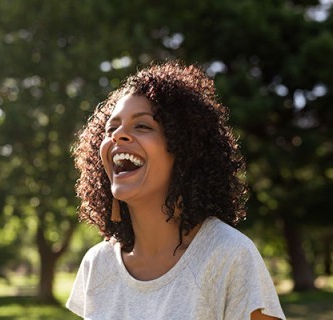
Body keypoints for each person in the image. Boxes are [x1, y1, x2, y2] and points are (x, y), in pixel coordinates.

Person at [66, 60, 286, 320]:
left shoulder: (229, 255)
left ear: (184, 150)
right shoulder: (97, 264)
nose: (117, 136)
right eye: (110, 128)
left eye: (143, 126)